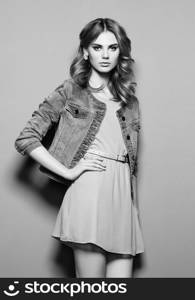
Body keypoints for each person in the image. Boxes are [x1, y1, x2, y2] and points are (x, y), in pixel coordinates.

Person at [14, 18, 145, 278]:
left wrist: (132, 206)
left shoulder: (130, 101)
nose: (105, 55)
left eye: (112, 47)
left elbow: (131, 161)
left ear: (121, 51)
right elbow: (27, 138)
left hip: (122, 199)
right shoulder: (70, 90)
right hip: (89, 191)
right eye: (97, 48)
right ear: (85, 51)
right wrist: (68, 171)